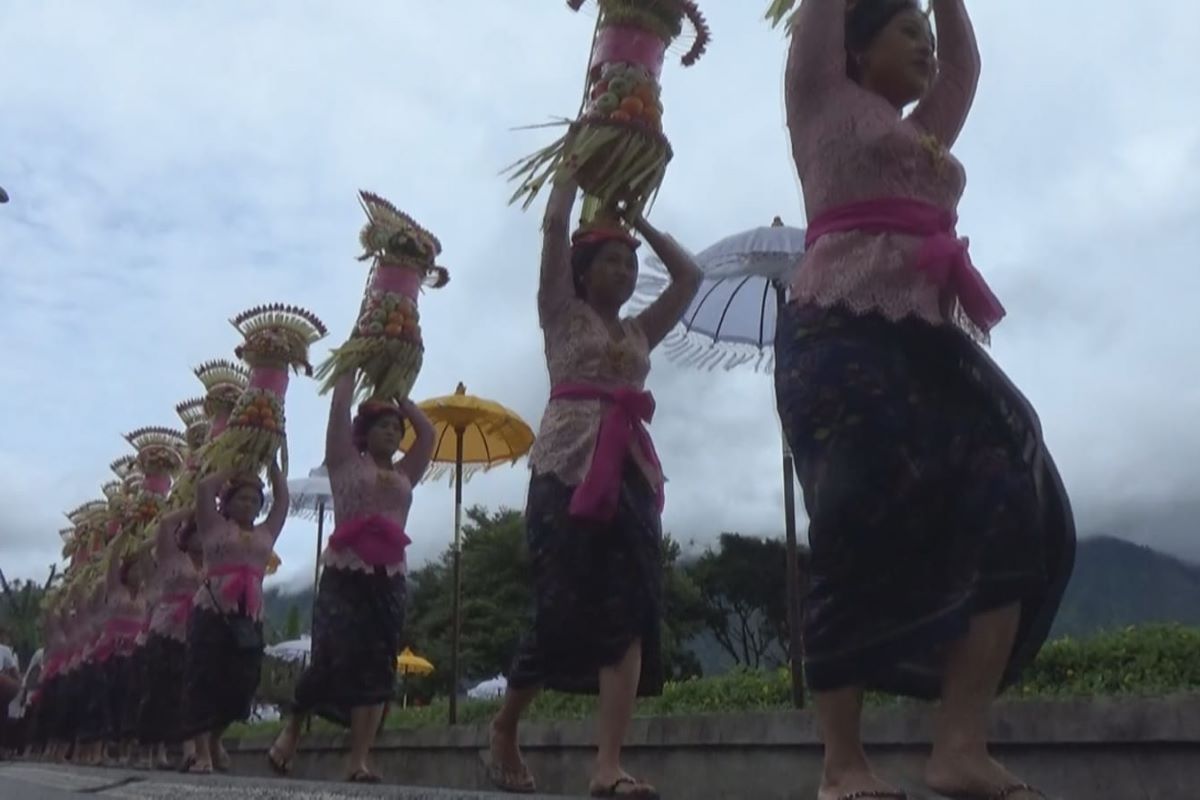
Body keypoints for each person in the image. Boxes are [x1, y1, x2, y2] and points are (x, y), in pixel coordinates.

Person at [773, 2, 1075, 799]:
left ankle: (959, 747)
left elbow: (966, 69)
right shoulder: (820, 99)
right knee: (851, 518)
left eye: (927, 37)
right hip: (837, 333)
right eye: (907, 30)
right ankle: (843, 765)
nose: (926, 46)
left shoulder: (927, 131)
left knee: (1007, 487)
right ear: (855, 48)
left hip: (930, 343)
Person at [488, 175, 702, 798]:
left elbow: (688, 278)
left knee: (631, 605)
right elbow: (554, 229)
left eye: (631, 263)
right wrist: (569, 175)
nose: (626, 272)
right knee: (559, 606)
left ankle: (609, 764)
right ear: (583, 270)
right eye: (613, 260)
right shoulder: (560, 312)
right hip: (565, 466)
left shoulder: (637, 333)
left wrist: (642, 221)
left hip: (630, 471)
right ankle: (506, 725)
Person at [267, 384, 435, 783]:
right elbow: (339, 406)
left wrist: (402, 398)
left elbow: (427, 435)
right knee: (331, 654)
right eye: (383, 426)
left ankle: (359, 759)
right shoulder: (344, 462)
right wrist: (352, 367)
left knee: (379, 664)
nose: (392, 433)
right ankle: (292, 729)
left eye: (396, 428)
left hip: (389, 579)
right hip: (344, 574)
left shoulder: (404, 473)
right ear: (364, 431)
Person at [179, 463, 288, 774]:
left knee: (242, 684)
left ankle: (215, 739)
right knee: (204, 680)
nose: (249, 505)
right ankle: (202, 752)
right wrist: (235, 456)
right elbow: (203, 490)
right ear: (226, 503)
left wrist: (271, 463)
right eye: (241, 499)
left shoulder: (266, 532)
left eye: (255, 500)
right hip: (211, 612)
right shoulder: (212, 526)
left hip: (249, 618)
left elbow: (282, 502)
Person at [137, 508, 201, 770]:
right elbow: (165, 523)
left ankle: (188, 748)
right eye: (195, 534)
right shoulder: (173, 557)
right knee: (157, 691)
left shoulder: (214, 559)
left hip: (194, 631)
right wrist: (194, 504)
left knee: (186, 691)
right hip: (164, 630)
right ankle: (153, 748)